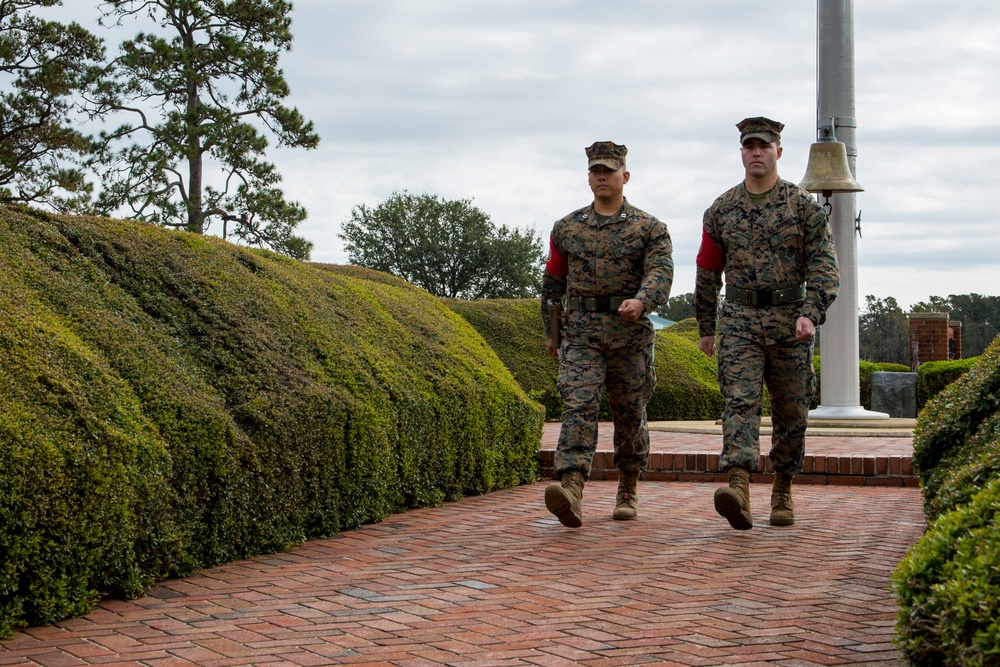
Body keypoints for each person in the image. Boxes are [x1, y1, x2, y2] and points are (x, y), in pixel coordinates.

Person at [693, 117, 840, 530]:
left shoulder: (803, 207)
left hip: (790, 325)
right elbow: (707, 271)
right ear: (741, 152)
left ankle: (782, 486)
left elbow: (825, 269)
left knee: (792, 411)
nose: (756, 152)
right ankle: (737, 485)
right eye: (749, 145)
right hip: (739, 321)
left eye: (764, 145)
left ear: (778, 151)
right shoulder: (720, 210)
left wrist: (811, 312)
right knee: (739, 402)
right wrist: (707, 325)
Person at [541, 141, 673, 527]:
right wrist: (552, 332)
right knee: (578, 406)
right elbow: (553, 283)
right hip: (581, 333)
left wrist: (643, 301)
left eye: (609, 171)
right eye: (595, 170)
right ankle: (571, 486)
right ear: (588, 177)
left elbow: (660, 272)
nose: (602, 176)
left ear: (625, 177)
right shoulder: (567, 228)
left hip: (628, 334)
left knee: (630, 414)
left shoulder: (649, 228)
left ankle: (628, 486)